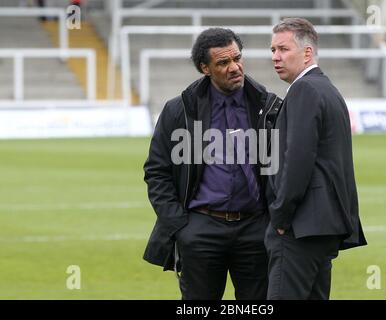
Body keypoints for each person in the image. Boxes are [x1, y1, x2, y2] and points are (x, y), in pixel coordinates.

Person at [143, 27, 282, 300]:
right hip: (200, 229)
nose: (234, 67)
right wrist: (180, 225)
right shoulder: (179, 109)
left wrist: (273, 219)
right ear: (204, 68)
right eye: (223, 62)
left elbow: (285, 167)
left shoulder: (270, 107)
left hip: (255, 229)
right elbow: (156, 171)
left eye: (237, 58)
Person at [265, 18, 367, 300]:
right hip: (324, 225)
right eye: (273, 50)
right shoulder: (327, 89)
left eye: (283, 49)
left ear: (307, 53)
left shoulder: (304, 90)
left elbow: (297, 159)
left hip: (300, 226)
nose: (275, 57)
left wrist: (280, 216)